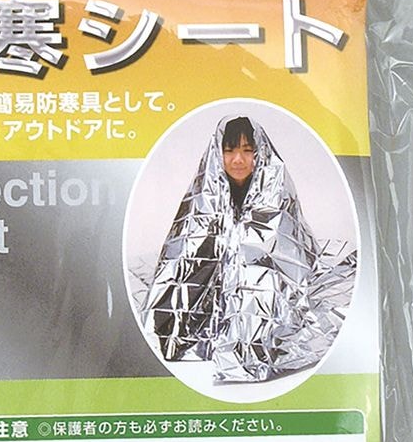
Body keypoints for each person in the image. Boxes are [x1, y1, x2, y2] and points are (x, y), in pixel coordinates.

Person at [141, 114, 356, 382]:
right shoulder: (206, 193)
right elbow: (186, 244)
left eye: (247, 150)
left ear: (259, 153)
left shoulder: (274, 190)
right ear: (218, 154)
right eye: (229, 151)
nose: (238, 160)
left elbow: (282, 249)